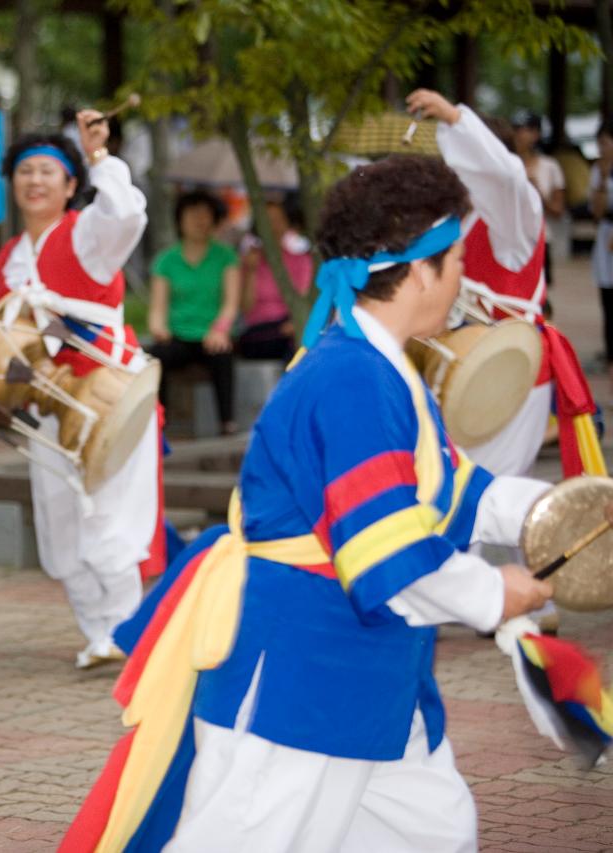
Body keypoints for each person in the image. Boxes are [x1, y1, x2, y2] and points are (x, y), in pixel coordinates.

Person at [62, 154, 555, 853]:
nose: (463, 279)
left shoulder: (375, 365)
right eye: (455, 262)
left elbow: (460, 493)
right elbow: (387, 552)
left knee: (437, 833)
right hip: (301, 675)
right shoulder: (353, 376)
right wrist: (492, 591)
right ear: (420, 271)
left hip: (365, 677)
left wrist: (576, 509)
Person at [0, 115, 158, 668]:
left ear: (69, 185)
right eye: (24, 171)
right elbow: (2, 338)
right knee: (62, 525)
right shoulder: (11, 255)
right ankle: (97, 632)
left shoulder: (86, 233)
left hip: (108, 392)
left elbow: (128, 214)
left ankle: (125, 633)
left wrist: (101, 158)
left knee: (107, 518)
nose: (34, 180)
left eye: (47, 171)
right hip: (47, 404)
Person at [412, 88, 604, 483]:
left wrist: (454, 119)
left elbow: (505, 179)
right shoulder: (457, 222)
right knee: (477, 495)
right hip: (472, 369)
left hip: (510, 369)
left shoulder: (512, 215)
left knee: (488, 492)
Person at [147, 190, 240, 434]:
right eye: (193, 215)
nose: (200, 221)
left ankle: (226, 423)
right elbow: (158, 307)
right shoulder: (166, 260)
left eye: (205, 215)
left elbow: (231, 303)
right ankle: (159, 422)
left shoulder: (226, 257)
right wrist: (159, 329)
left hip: (212, 335)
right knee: (156, 357)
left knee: (223, 354)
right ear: (180, 219)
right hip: (178, 335)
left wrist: (220, 330)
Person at [236, 194, 313, 361]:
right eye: (268, 220)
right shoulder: (249, 261)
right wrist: (250, 271)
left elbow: (304, 299)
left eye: (278, 219)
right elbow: (246, 307)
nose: (274, 226)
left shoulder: (301, 261)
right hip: (259, 331)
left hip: (290, 326)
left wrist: (294, 323)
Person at [514, 110, 567, 284]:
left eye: (524, 129)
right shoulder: (506, 164)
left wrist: (537, 193)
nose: (519, 134)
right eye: (516, 129)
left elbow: (558, 210)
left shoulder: (549, 166)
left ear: (536, 134)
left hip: (539, 238)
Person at [589, 121, 613, 390]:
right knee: (608, 307)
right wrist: (604, 179)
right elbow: (596, 211)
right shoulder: (599, 170)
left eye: (606, 143)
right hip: (605, 240)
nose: (602, 149)